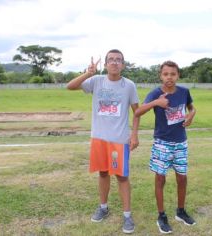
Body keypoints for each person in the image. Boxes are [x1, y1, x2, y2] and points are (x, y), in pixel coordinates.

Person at [67, 49, 140, 234]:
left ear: (123, 64)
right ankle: (103, 207)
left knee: (122, 177)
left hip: (119, 140)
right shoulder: (96, 81)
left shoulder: (129, 85)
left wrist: (134, 135)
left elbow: (136, 112)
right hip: (99, 138)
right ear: (106, 64)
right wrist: (88, 73)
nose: (114, 63)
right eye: (111, 60)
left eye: (118, 60)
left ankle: (127, 215)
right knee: (103, 173)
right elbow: (70, 86)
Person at [134, 60, 196, 234]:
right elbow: (138, 112)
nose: (169, 77)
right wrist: (156, 103)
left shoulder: (184, 92)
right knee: (160, 179)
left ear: (178, 75)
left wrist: (191, 115)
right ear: (160, 76)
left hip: (181, 142)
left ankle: (181, 212)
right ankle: (161, 216)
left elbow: (191, 108)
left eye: (173, 74)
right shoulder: (155, 93)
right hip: (162, 143)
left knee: (182, 178)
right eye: (166, 74)